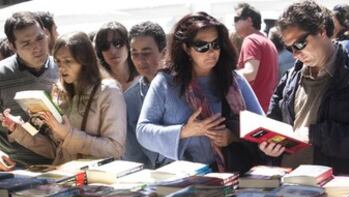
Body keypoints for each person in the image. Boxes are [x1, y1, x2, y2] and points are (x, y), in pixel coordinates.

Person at [259, 0, 349, 175]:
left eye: (300, 44)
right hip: (290, 184)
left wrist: (318, 134)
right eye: (289, 48)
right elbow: (274, 123)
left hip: (337, 189)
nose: (295, 54)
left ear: (322, 31)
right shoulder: (289, 79)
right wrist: (269, 145)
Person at [137, 12, 264, 172]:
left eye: (215, 44)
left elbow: (262, 127)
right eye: (202, 46)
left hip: (232, 177)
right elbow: (143, 132)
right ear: (186, 48)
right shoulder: (166, 82)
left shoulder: (234, 80)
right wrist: (184, 132)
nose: (211, 52)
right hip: (183, 178)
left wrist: (232, 136)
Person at [0, 32, 126, 165]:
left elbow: (115, 149)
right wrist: (18, 129)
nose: (61, 68)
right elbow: (56, 149)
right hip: (66, 176)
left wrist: (69, 135)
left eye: (68, 61)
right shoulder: (60, 92)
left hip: (98, 178)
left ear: (85, 61)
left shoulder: (108, 92)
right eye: (58, 62)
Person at [0, 11, 59, 171]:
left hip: (61, 163)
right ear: (13, 46)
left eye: (40, 38)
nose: (37, 47)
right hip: (14, 169)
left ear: (46, 33)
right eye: (26, 43)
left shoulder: (61, 68)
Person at [123, 21, 168, 168]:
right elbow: (133, 155)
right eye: (134, 54)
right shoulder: (130, 99)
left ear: (164, 52)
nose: (140, 60)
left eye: (146, 53)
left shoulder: (184, 89)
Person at [234, 2, 279, 112]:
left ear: (249, 20)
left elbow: (250, 73)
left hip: (255, 111)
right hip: (267, 108)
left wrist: (225, 75)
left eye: (236, 19)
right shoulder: (267, 41)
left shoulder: (251, 40)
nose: (234, 23)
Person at [94, 22, 138, 91]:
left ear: (128, 45)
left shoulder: (145, 78)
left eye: (118, 43)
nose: (112, 51)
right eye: (105, 46)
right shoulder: (99, 86)